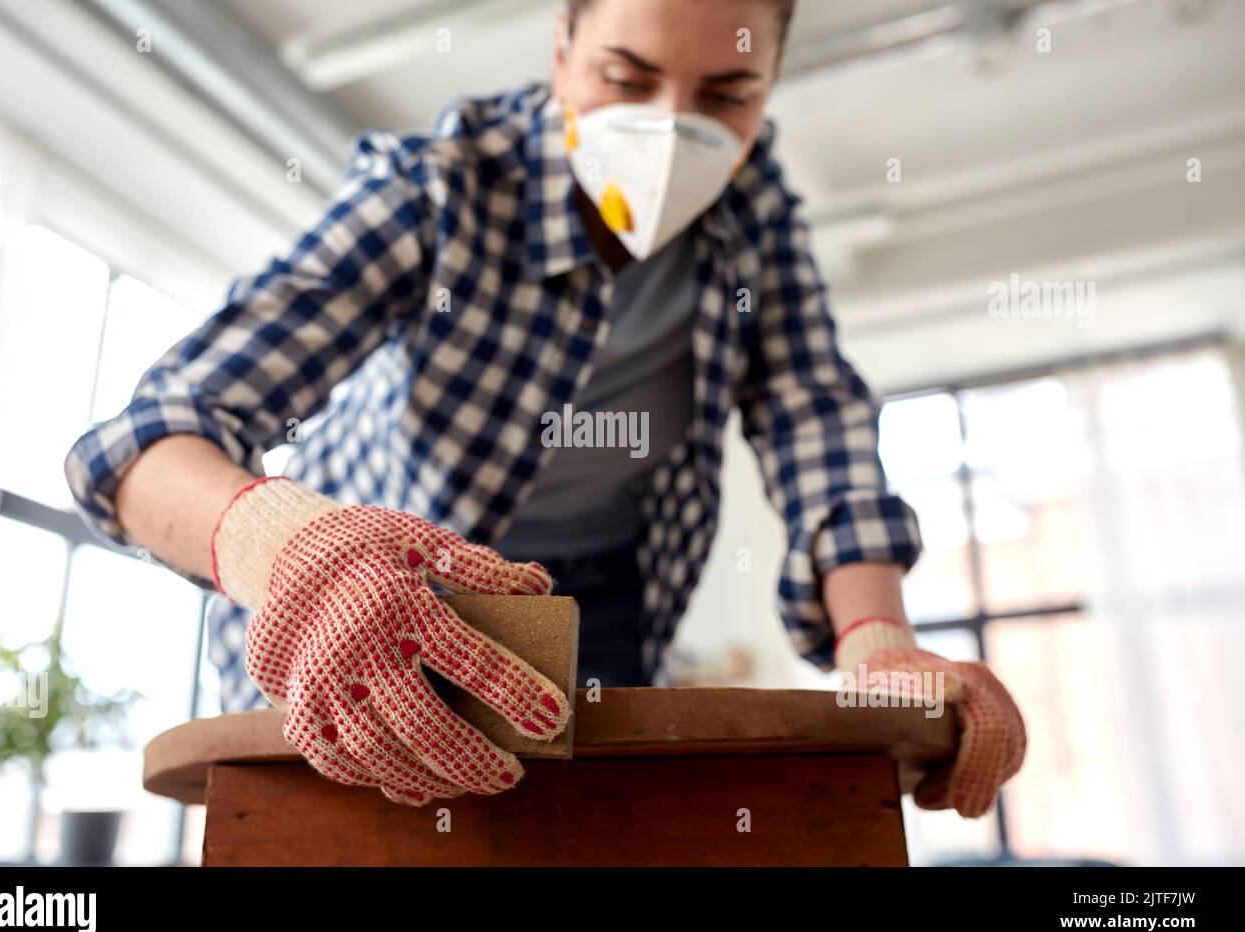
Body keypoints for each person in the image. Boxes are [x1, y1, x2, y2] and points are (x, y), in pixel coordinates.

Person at [64, 0, 1025, 815]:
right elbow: (144, 441)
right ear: (561, 49)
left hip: (602, 607)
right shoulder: (438, 189)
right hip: (373, 599)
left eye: (728, 95)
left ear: (769, 84)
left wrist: (880, 644)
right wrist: (291, 551)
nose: (670, 129)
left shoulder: (756, 214)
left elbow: (814, 418)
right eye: (626, 75)